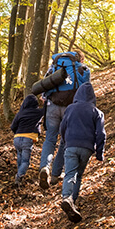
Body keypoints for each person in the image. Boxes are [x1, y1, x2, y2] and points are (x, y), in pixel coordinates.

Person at [37, 51, 90, 190]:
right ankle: (55, 174)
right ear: (80, 59)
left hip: (52, 107)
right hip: (70, 109)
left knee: (50, 139)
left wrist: (46, 97)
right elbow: (86, 91)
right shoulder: (83, 69)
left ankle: (44, 167)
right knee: (65, 141)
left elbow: (44, 86)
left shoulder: (55, 66)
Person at [58, 81, 105, 223]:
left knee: (70, 174)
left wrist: (65, 141)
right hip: (87, 148)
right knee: (78, 176)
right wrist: (99, 152)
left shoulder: (70, 108)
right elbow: (101, 134)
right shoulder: (97, 112)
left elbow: (63, 127)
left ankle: (67, 198)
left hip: (71, 145)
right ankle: (73, 202)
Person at [10, 94, 43, 187]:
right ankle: (19, 176)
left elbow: (13, 126)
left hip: (17, 138)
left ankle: (18, 179)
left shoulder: (20, 113)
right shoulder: (38, 112)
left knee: (20, 158)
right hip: (27, 139)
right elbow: (47, 110)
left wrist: (18, 133)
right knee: (25, 161)